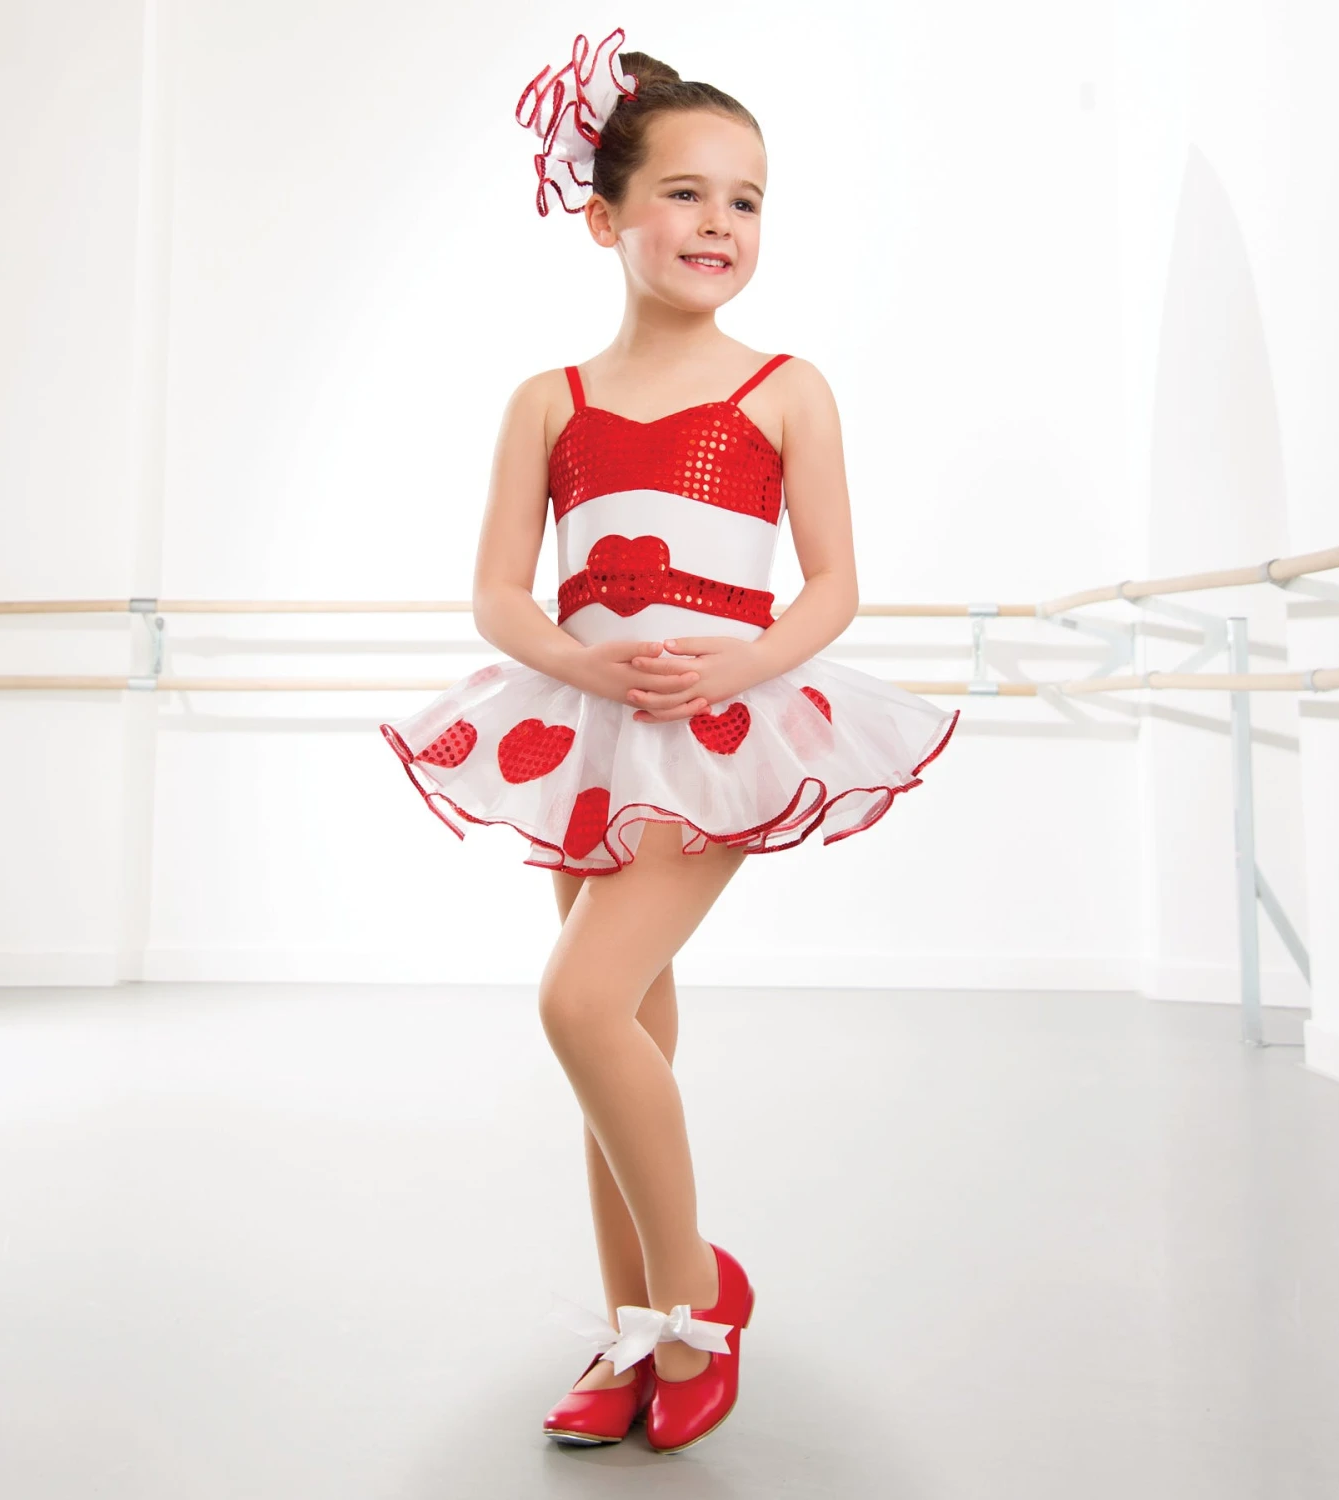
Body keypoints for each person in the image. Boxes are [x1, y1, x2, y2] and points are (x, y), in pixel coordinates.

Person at [378, 26, 961, 1454]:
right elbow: (498, 594)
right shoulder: (550, 401)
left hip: (721, 732)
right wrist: (581, 660)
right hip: (585, 730)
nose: (719, 224)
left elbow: (832, 581)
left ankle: (695, 1299)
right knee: (622, 1033)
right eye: (686, 193)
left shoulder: (784, 389)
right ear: (606, 217)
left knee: (578, 1004)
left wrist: (743, 665)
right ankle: (631, 1319)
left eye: (746, 200)